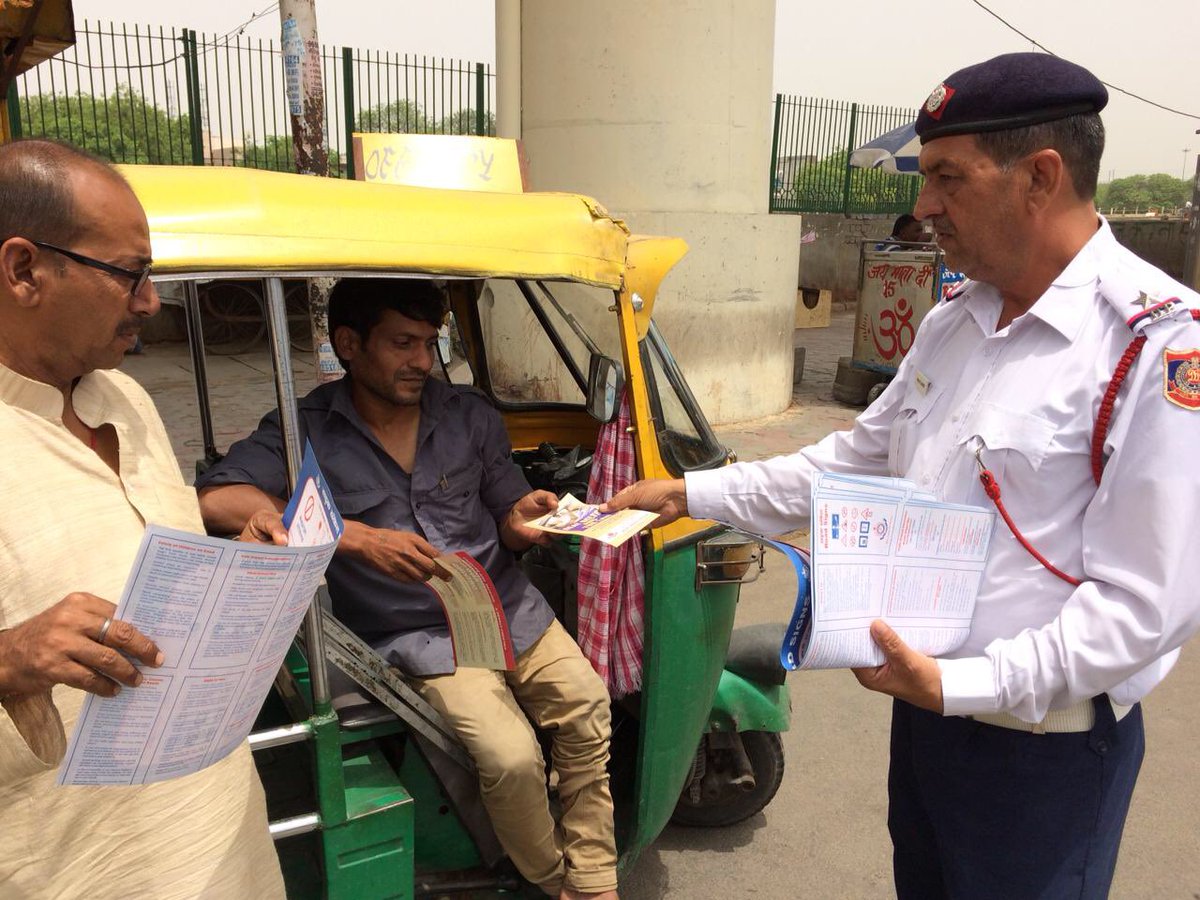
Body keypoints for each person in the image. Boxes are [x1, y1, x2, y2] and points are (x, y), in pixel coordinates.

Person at [607, 53, 1200, 900]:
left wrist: (962, 685)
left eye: (946, 179)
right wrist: (689, 493)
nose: (922, 206)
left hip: (1042, 751)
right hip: (928, 720)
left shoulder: (1154, 346)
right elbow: (849, 464)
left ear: (1040, 178)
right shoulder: (959, 322)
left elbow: (1146, 606)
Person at [196, 278, 620, 900]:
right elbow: (217, 497)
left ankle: (596, 878)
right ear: (349, 343)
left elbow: (507, 509)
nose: (422, 361)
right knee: (512, 757)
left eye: (430, 342)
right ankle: (554, 882)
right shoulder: (305, 428)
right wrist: (355, 538)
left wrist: (524, 517)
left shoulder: (469, 414)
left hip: (505, 606)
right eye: (402, 343)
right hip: (415, 636)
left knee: (587, 709)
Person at [0, 139, 286, 897]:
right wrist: (9, 657)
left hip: (229, 838)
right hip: (82, 870)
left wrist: (234, 552)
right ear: (24, 270)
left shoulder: (123, 399)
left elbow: (128, 546)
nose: (151, 302)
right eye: (130, 274)